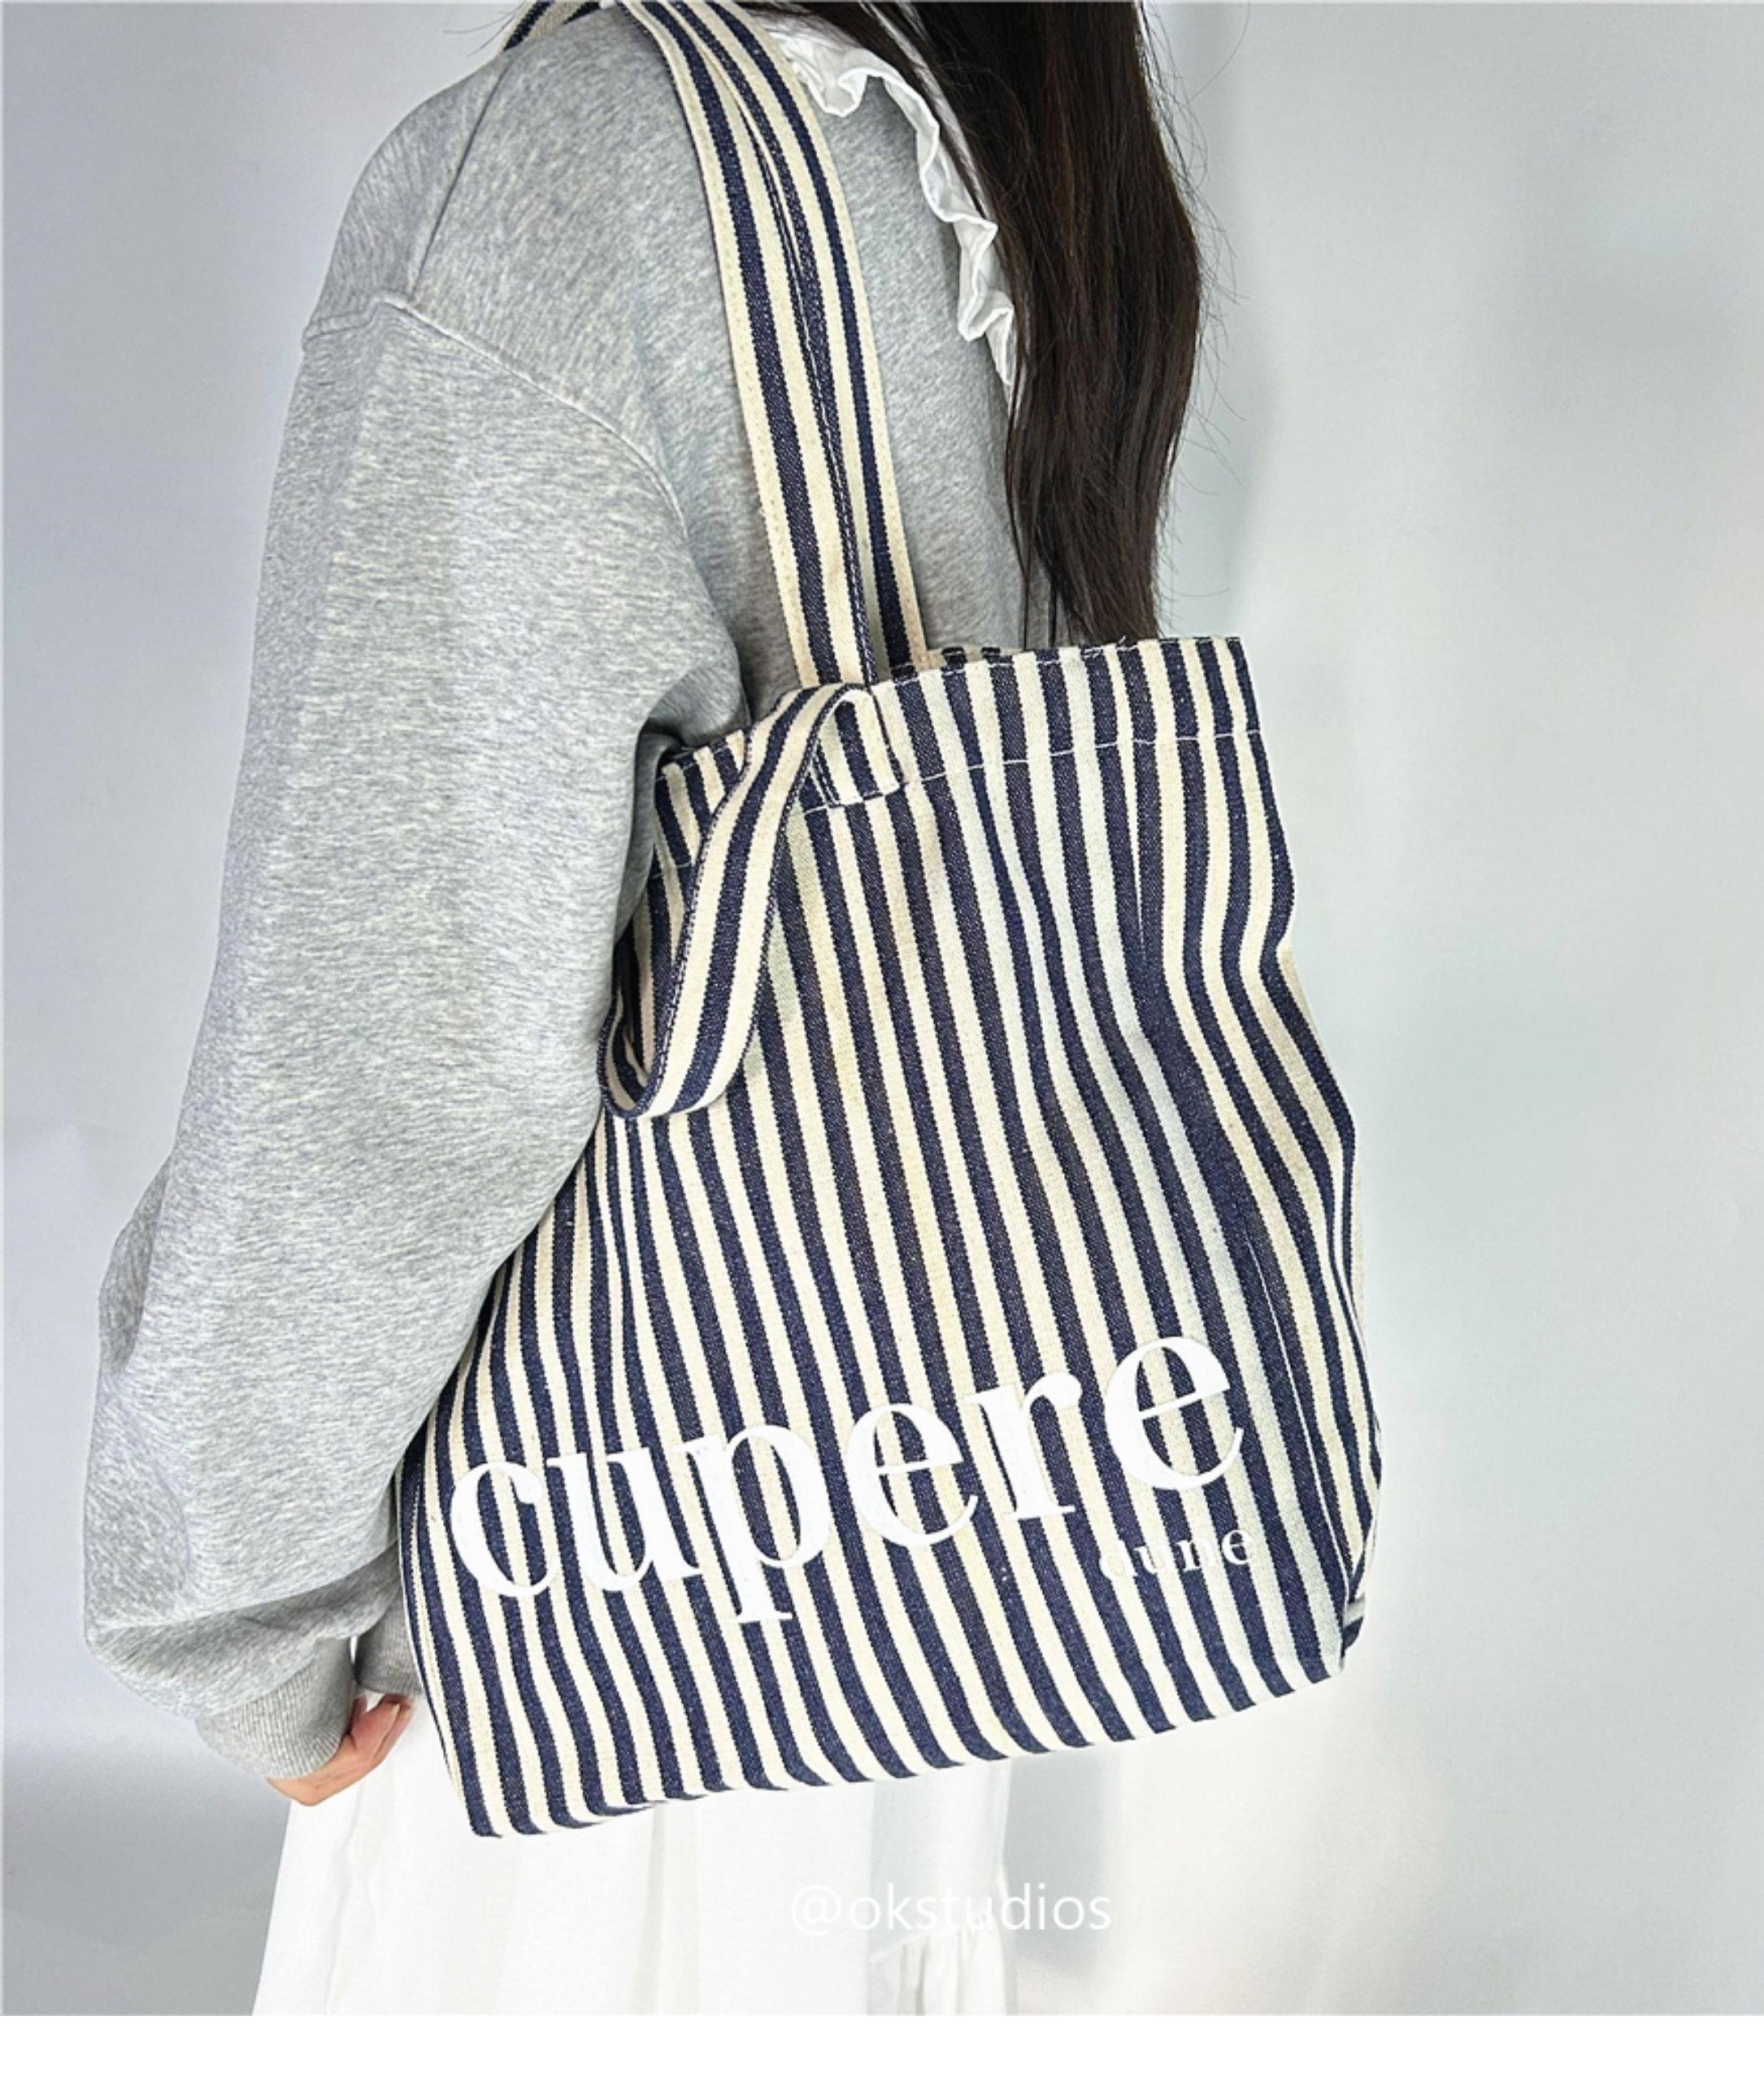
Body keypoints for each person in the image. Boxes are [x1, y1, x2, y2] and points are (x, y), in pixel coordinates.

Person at [80, 0, 1205, 2014]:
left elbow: (394, 1038)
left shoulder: (572, 175)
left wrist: (234, 1610)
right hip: (957, 1548)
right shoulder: (1007, 151)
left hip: (591, 1602)